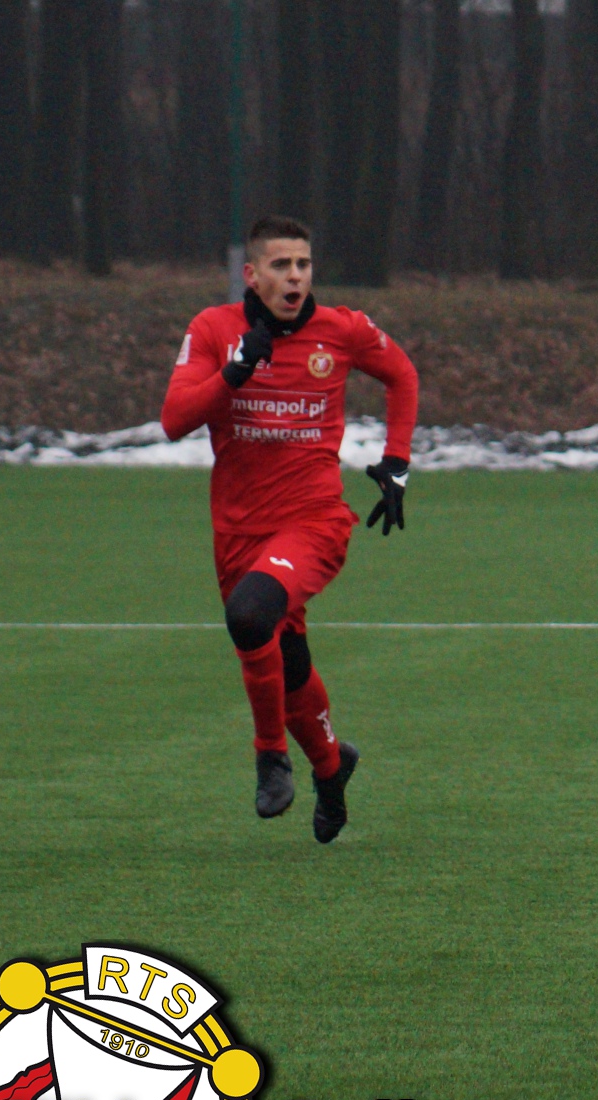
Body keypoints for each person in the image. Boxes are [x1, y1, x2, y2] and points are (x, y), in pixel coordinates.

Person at [161, 215, 419, 842]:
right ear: (252, 275)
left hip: (314, 521)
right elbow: (173, 420)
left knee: (251, 617)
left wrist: (397, 461)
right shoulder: (214, 330)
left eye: (303, 264)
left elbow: (403, 375)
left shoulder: (343, 330)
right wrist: (234, 373)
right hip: (238, 530)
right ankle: (332, 768)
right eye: (281, 265)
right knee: (288, 659)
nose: (295, 276)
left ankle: (270, 757)